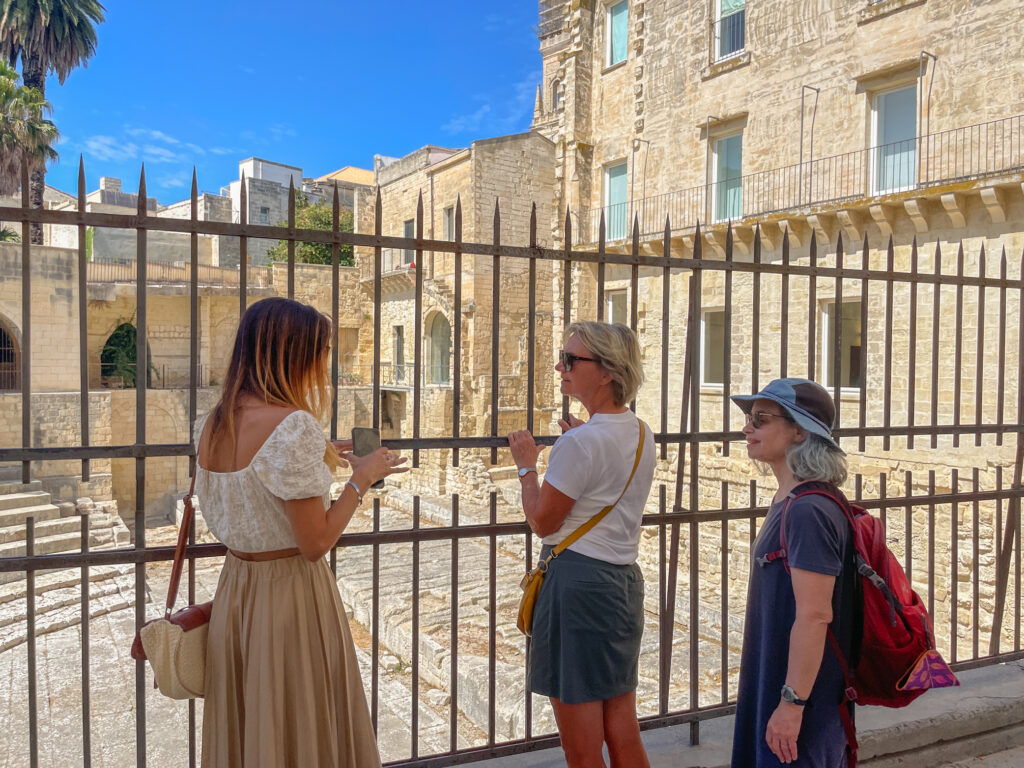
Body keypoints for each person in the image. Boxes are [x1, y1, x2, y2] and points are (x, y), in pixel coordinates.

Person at [194, 297, 407, 768]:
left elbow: (256, 489)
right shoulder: (293, 427)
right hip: (290, 595)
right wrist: (361, 478)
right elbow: (315, 543)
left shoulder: (211, 423)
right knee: (301, 727)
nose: (323, 365)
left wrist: (326, 454)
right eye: (321, 352)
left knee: (255, 728)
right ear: (295, 355)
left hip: (237, 590)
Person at [508, 321, 656, 768]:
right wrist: (579, 436)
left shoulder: (582, 443)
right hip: (621, 584)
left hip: (577, 587)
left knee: (581, 743)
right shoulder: (641, 432)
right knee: (622, 727)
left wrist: (526, 467)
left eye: (572, 360)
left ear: (607, 370)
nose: (560, 366)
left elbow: (541, 520)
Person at [730, 378, 858, 767]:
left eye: (761, 419)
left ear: (800, 431)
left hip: (803, 705)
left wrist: (791, 705)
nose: (746, 428)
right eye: (750, 418)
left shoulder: (808, 511)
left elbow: (815, 614)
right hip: (778, 688)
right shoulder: (790, 499)